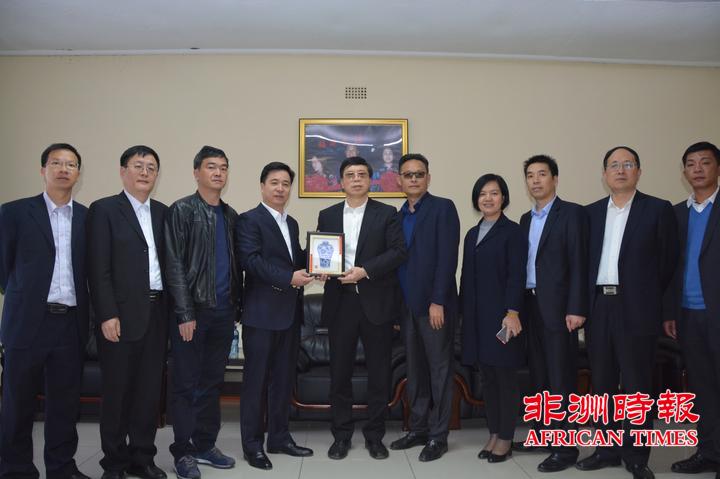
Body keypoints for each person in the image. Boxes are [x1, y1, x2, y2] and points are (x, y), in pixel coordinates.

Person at [577, 146, 678, 479]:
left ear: (638, 171)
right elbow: (582, 264)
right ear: (604, 174)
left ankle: (636, 455)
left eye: (627, 164)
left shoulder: (658, 209)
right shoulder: (590, 213)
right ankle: (606, 449)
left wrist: (652, 300)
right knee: (602, 382)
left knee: (637, 384)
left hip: (637, 306)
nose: (620, 170)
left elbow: (668, 264)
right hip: (599, 306)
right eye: (614, 165)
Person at [0, 143, 90, 479]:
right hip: (26, 322)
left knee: (65, 403)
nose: (64, 169)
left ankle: (62, 467)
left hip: (70, 322)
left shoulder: (87, 218)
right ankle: (15, 468)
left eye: (71, 164)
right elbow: (4, 268)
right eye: (56, 163)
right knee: (18, 402)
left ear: (78, 173)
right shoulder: (14, 213)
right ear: (43, 170)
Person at [316, 156, 407, 460]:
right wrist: (320, 269)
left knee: (379, 373)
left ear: (370, 180)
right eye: (350, 175)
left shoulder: (387, 213)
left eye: (361, 174)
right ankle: (341, 436)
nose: (356, 179)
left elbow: (398, 252)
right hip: (340, 302)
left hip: (376, 303)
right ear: (341, 182)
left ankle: (375, 436)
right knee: (339, 373)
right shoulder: (327, 215)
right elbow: (322, 253)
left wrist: (365, 270)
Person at [86, 146, 168, 479]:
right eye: (138, 166)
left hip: (157, 312)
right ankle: (114, 463)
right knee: (117, 394)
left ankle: (142, 458)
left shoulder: (163, 212)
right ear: (123, 171)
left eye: (151, 167)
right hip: (119, 316)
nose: (145, 172)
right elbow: (98, 268)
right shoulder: (104, 210)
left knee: (148, 394)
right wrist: (106, 314)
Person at [164, 146, 241, 479]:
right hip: (193, 313)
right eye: (211, 167)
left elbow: (236, 266)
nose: (218, 173)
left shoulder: (231, 215)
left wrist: (237, 308)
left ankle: (205, 445)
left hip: (223, 312)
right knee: (185, 384)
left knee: (211, 383)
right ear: (197, 172)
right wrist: (184, 313)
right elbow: (174, 265)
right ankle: (182, 451)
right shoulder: (181, 210)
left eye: (223, 167)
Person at [235, 162, 315, 470]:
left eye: (285, 184)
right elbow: (251, 261)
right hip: (261, 315)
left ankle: (280, 437)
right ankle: (252, 445)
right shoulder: (249, 220)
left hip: (289, 315)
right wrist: (288, 278)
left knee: (283, 381)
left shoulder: (290, 223)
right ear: (262, 186)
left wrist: (320, 263)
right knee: (255, 383)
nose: (280, 188)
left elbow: (294, 260)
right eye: (274, 182)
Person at [517, 155, 588, 472]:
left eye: (542, 174)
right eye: (530, 175)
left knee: (561, 379)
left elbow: (579, 263)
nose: (535, 180)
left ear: (555, 179)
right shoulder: (525, 219)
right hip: (531, 306)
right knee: (540, 377)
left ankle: (566, 448)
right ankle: (544, 436)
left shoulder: (571, 214)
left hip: (560, 310)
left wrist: (576, 307)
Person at [389, 153, 460, 462]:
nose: (414, 179)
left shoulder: (443, 208)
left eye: (419, 174)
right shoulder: (397, 216)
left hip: (434, 307)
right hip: (407, 307)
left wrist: (438, 300)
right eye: (408, 174)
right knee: (415, 370)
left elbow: (447, 258)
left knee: (439, 371)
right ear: (399, 181)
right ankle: (417, 428)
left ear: (428, 178)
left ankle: (438, 435)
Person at [460, 174, 527, 464]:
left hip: (502, 319)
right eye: (482, 194)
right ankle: (494, 432)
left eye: (494, 193)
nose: (488, 198)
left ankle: (506, 438)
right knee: (487, 379)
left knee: (504, 379)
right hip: (477, 319)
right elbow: (466, 277)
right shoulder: (472, 234)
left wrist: (512, 311)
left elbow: (517, 275)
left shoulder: (512, 232)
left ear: (504, 198)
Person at [664, 141, 720, 478]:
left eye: (705, 162)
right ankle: (709, 452)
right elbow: (670, 267)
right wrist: (669, 312)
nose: (697, 169)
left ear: (717, 168)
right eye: (690, 163)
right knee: (702, 388)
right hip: (687, 314)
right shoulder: (676, 214)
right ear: (684, 171)